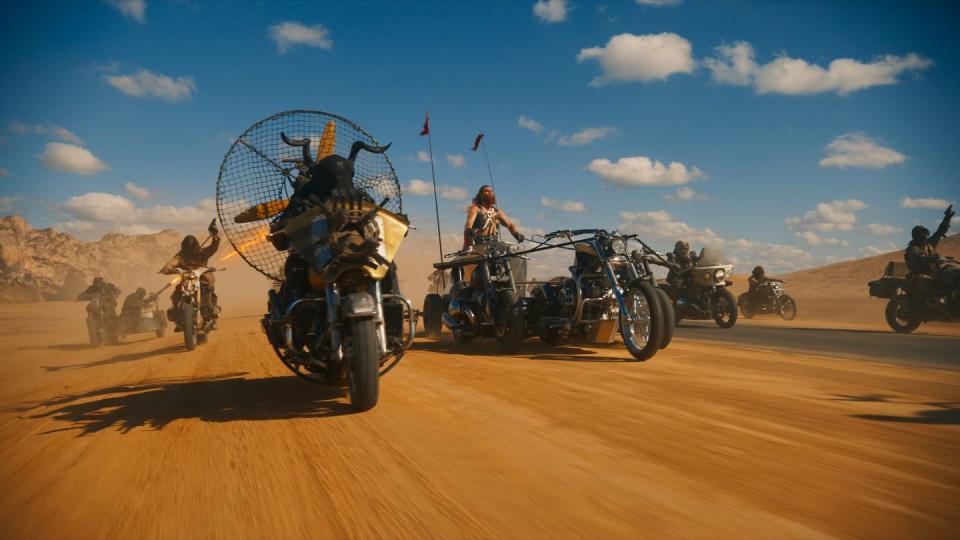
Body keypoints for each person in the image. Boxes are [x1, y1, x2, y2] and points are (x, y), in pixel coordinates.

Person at [160, 220, 221, 330]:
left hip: (202, 277)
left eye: (191, 246)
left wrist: (215, 235)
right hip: (186, 279)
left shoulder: (202, 253)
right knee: (177, 294)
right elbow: (172, 262)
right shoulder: (181, 255)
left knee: (209, 291)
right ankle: (179, 320)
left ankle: (213, 319)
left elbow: (214, 247)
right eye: (187, 247)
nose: (190, 249)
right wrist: (166, 268)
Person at [904, 204, 954, 305]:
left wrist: (947, 217)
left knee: (952, 271)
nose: (923, 236)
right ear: (915, 236)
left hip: (935, 272)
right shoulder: (912, 248)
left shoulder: (929, 243)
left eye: (924, 233)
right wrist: (933, 258)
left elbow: (940, 232)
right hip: (920, 274)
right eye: (921, 234)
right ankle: (919, 306)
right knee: (925, 282)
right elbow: (920, 257)